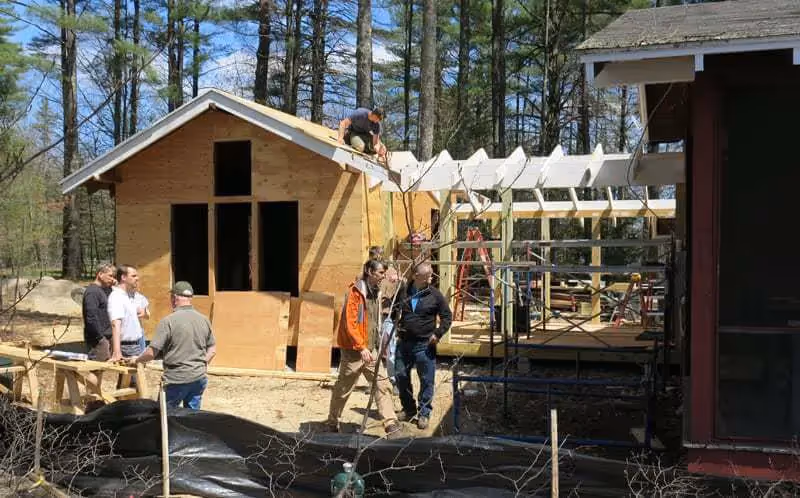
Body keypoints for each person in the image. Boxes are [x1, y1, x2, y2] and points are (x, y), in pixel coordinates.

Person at [325, 260, 401, 436]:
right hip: (354, 351)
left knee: (382, 384)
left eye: (384, 273)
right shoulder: (356, 292)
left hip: (370, 349)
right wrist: (361, 348)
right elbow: (350, 323)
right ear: (369, 271)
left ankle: (390, 423)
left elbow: (397, 288)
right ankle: (332, 421)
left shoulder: (377, 291)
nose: (383, 276)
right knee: (344, 388)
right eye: (381, 273)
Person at [127, 281, 216, 409]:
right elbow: (212, 349)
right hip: (198, 378)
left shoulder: (168, 322)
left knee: (164, 417)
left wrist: (137, 359)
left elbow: (152, 353)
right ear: (190, 298)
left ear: (174, 298)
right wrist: (202, 363)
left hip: (176, 379)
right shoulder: (204, 320)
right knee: (191, 417)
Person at [394, 263, 452, 430]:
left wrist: (438, 333)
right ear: (416, 276)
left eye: (431, 275)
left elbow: (447, 317)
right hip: (403, 343)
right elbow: (393, 310)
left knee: (426, 381)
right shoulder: (403, 291)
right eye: (428, 275)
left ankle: (424, 413)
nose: (431, 278)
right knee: (400, 376)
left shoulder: (434, 295)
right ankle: (409, 409)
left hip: (424, 345)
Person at [107, 264, 145, 362]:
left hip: (136, 345)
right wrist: (117, 351)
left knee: (128, 378)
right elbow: (115, 324)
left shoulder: (127, 296)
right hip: (128, 348)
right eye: (133, 276)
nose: (137, 278)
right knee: (134, 377)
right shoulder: (116, 297)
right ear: (123, 277)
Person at [82, 263, 116, 361]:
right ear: (100, 274)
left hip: (107, 336)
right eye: (110, 276)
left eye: (113, 276)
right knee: (96, 370)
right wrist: (100, 338)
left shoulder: (104, 290)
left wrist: (115, 286)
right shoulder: (92, 292)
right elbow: (91, 317)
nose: (112, 279)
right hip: (97, 340)